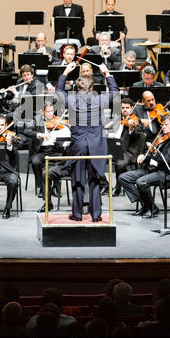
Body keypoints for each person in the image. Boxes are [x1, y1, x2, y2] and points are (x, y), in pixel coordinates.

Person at [56, 61, 118, 221]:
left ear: (78, 87)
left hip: (79, 145)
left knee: (77, 180)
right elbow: (115, 92)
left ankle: (77, 214)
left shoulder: (72, 100)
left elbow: (58, 91)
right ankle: (96, 215)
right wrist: (107, 74)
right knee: (95, 180)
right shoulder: (100, 99)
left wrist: (65, 72)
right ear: (92, 87)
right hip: (96, 145)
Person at [119, 114, 170, 218]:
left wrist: (150, 158)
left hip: (166, 173)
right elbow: (150, 152)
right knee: (123, 178)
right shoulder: (160, 136)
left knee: (141, 182)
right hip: (153, 169)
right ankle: (146, 205)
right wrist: (143, 155)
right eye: (162, 125)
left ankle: (151, 208)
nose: (163, 127)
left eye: (166, 125)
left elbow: (166, 161)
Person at [23, 103, 69, 203]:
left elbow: (66, 133)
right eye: (48, 112)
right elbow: (26, 131)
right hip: (42, 150)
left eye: (52, 111)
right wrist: (39, 134)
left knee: (62, 161)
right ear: (42, 112)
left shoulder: (57, 121)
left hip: (56, 150)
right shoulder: (36, 120)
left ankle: (56, 187)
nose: (51, 114)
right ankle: (41, 187)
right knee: (36, 162)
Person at [106, 98, 145, 196]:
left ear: (132, 108)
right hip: (116, 147)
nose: (125, 110)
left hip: (130, 151)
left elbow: (138, 135)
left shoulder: (136, 121)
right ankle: (104, 184)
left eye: (127, 107)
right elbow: (109, 129)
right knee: (96, 158)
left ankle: (118, 187)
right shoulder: (118, 119)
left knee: (119, 163)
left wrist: (131, 127)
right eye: (123, 107)